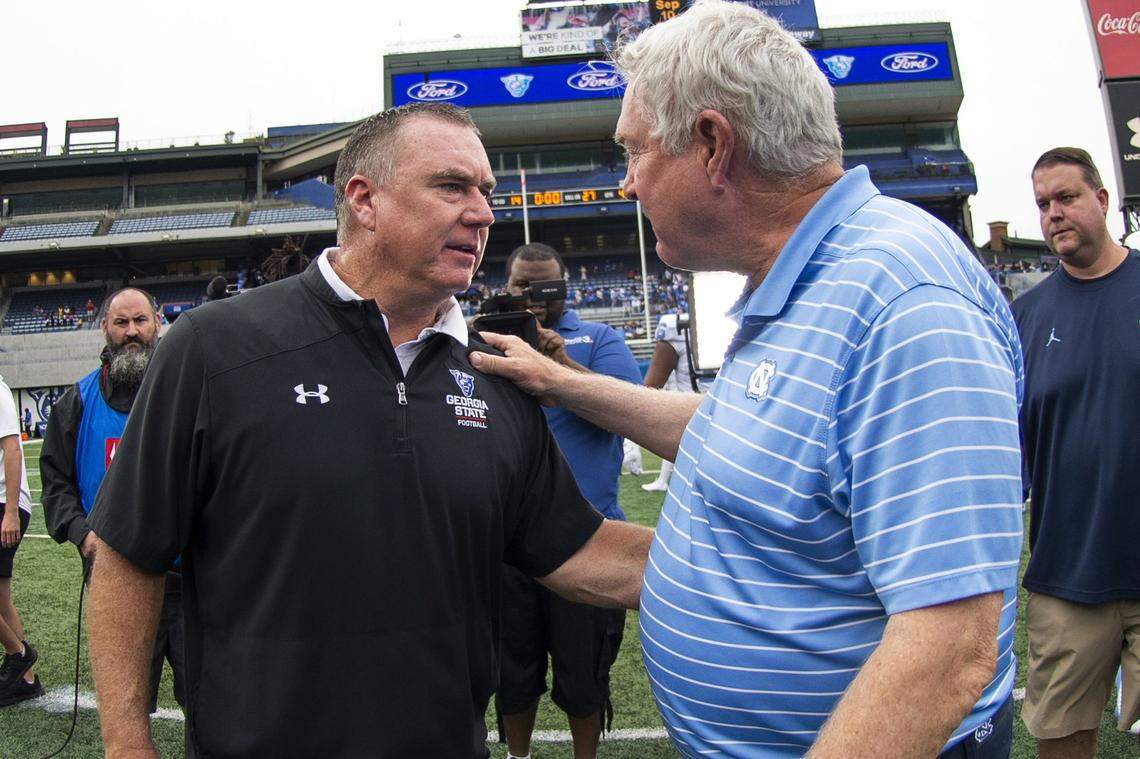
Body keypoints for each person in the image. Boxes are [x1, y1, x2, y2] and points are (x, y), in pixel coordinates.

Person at [469, 3, 1024, 756]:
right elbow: (750, 431)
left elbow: (949, 647)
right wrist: (561, 381)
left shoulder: (904, 301)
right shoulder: (809, 276)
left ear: (711, 144)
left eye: (634, 151)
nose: (627, 182)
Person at [83, 102, 652, 759]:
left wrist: (753, 564)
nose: (484, 212)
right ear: (364, 198)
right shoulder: (213, 347)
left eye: (487, 192)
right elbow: (128, 551)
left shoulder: (496, 373)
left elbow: (578, 550)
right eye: (452, 185)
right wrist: (126, 743)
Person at [1013, 147, 1140, 759]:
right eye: (1043, 204)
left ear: (1102, 200)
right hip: (1066, 577)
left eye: (1065, 197)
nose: (1054, 213)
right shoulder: (1026, 317)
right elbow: (1009, 456)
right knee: (1061, 745)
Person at [495, 243, 641, 759]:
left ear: (566, 288)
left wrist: (560, 364)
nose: (533, 298)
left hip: (588, 539)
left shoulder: (597, 338)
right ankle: (518, 756)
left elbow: (627, 407)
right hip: (505, 542)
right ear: (506, 285)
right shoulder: (481, 342)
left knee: (585, 674)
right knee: (512, 671)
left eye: (546, 288)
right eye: (521, 286)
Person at [39, 288, 186, 716]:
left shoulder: (188, 389)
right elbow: (55, 483)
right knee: (127, 708)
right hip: (114, 578)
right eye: (121, 323)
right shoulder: (77, 401)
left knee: (208, 698)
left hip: (188, 579)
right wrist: (82, 536)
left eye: (140, 321)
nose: (132, 332)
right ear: (105, 328)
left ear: (157, 322)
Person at [0, 375, 41, 707]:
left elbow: (12, 448)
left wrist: (11, 510)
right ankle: (25, 682)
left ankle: (19, 655)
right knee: (1, 598)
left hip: (3, 504)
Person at [639, 309, 698, 492]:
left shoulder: (676, 326)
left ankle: (663, 481)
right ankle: (663, 480)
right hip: (723, 411)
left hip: (693, 412)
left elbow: (649, 387)